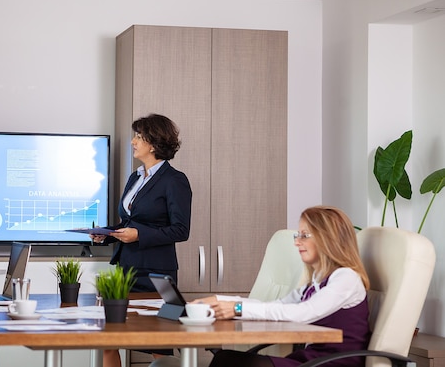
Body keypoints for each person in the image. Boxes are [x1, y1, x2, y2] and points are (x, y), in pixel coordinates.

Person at [196, 205, 371, 367]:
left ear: (328, 239)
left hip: (332, 364)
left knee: (228, 361)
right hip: (310, 360)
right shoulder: (316, 283)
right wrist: (219, 300)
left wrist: (237, 308)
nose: (297, 242)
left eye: (304, 235)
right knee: (225, 359)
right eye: (298, 235)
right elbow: (278, 305)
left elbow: (302, 314)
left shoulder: (346, 278)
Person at [91, 113, 192, 367]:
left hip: (156, 276)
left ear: (154, 143)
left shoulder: (174, 180)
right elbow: (129, 223)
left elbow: (181, 230)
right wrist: (106, 234)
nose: (133, 141)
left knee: (158, 346)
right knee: (109, 339)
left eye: (139, 136)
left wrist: (140, 235)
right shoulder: (135, 177)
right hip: (126, 271)